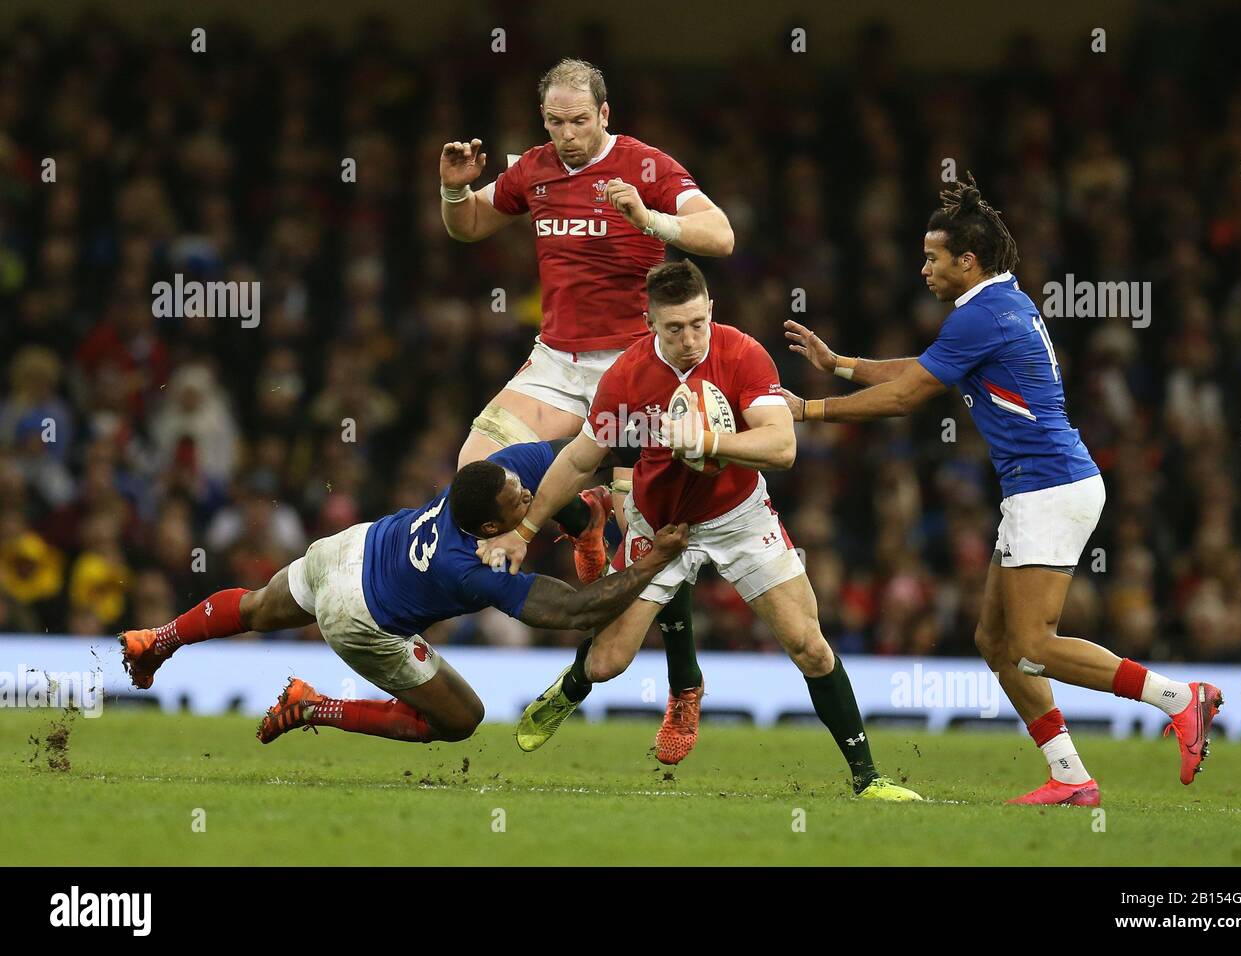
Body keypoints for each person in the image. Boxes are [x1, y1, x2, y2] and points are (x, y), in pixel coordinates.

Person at [782, 175, 1222, 805]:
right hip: (1043, 487)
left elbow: (909, 397)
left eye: (934, 257)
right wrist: (842, 365)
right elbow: (922, 371)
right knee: (996, 642)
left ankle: (1180, 699)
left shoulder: (983, 314)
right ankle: (1070, 776)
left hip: (1049, 487)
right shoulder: (997, 305)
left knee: (1033, 645)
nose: (923, 268)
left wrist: (810, 411)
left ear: (968, 261)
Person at [477, 260, 922, 800]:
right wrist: (523, 532)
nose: (689, 340)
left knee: (810, 646)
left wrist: (709, 442)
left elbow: (782, 446)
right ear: (649, 322)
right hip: (657, 523)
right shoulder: (627, 376)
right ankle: (570, 688)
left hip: (739, 516)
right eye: (673, 328)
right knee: (606, 662)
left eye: (696, 324)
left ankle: (867, 778)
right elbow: (577, 461)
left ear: (710, 310)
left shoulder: (742, 354)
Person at [439, 58, 735, 764]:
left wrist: (647, 216)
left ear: (606, 114)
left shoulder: (649, 167)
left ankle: (685, 688)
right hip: (557, 363)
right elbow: (472, 225)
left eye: (579, 121)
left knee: (655, 538)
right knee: (474, 470)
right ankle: (580, 518)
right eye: (555, 122)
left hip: (636, 366)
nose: (568, 136)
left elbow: (720, 236)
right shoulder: (535, 169)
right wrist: (454, 193)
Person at [120, 441, 688, 745]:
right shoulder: (469, 567)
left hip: (352, 547)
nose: (526, 502)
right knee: (461, 719)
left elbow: (575, 460)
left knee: (253, 609)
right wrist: (654, 562)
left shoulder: (497, 473)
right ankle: (314, 706)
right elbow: (575, 609)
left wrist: (656, 459)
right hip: (359, 615)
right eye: (519, 505)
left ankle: (159, 639)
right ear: (491, 530)